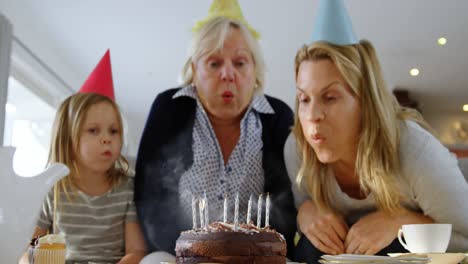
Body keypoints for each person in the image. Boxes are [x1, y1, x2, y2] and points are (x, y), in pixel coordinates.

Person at [284, 0, 468, 263]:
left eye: (330, 97)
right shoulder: (298, 147)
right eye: (304, 99)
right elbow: (301, 205)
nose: (312, 116)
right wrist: (306, 209)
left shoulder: (416, 150)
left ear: (365, 102)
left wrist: (403, 220)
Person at [134, 0, 296, 262]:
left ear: (255, 70)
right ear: (194, 71)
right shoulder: (169, 109)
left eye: (240, 62)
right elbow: (148, 197)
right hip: (182, 256)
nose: (228, 74)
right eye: (214, 63)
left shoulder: (277, 117)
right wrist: (192, 252)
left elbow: (289, 203)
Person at [19, 51, 146, 264]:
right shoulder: (54, 190)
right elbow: (31, 251)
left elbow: (137, 252)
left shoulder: (127, 189)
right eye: (94, 130)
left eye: (113, 131)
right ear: (69, 139)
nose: (107, 139)